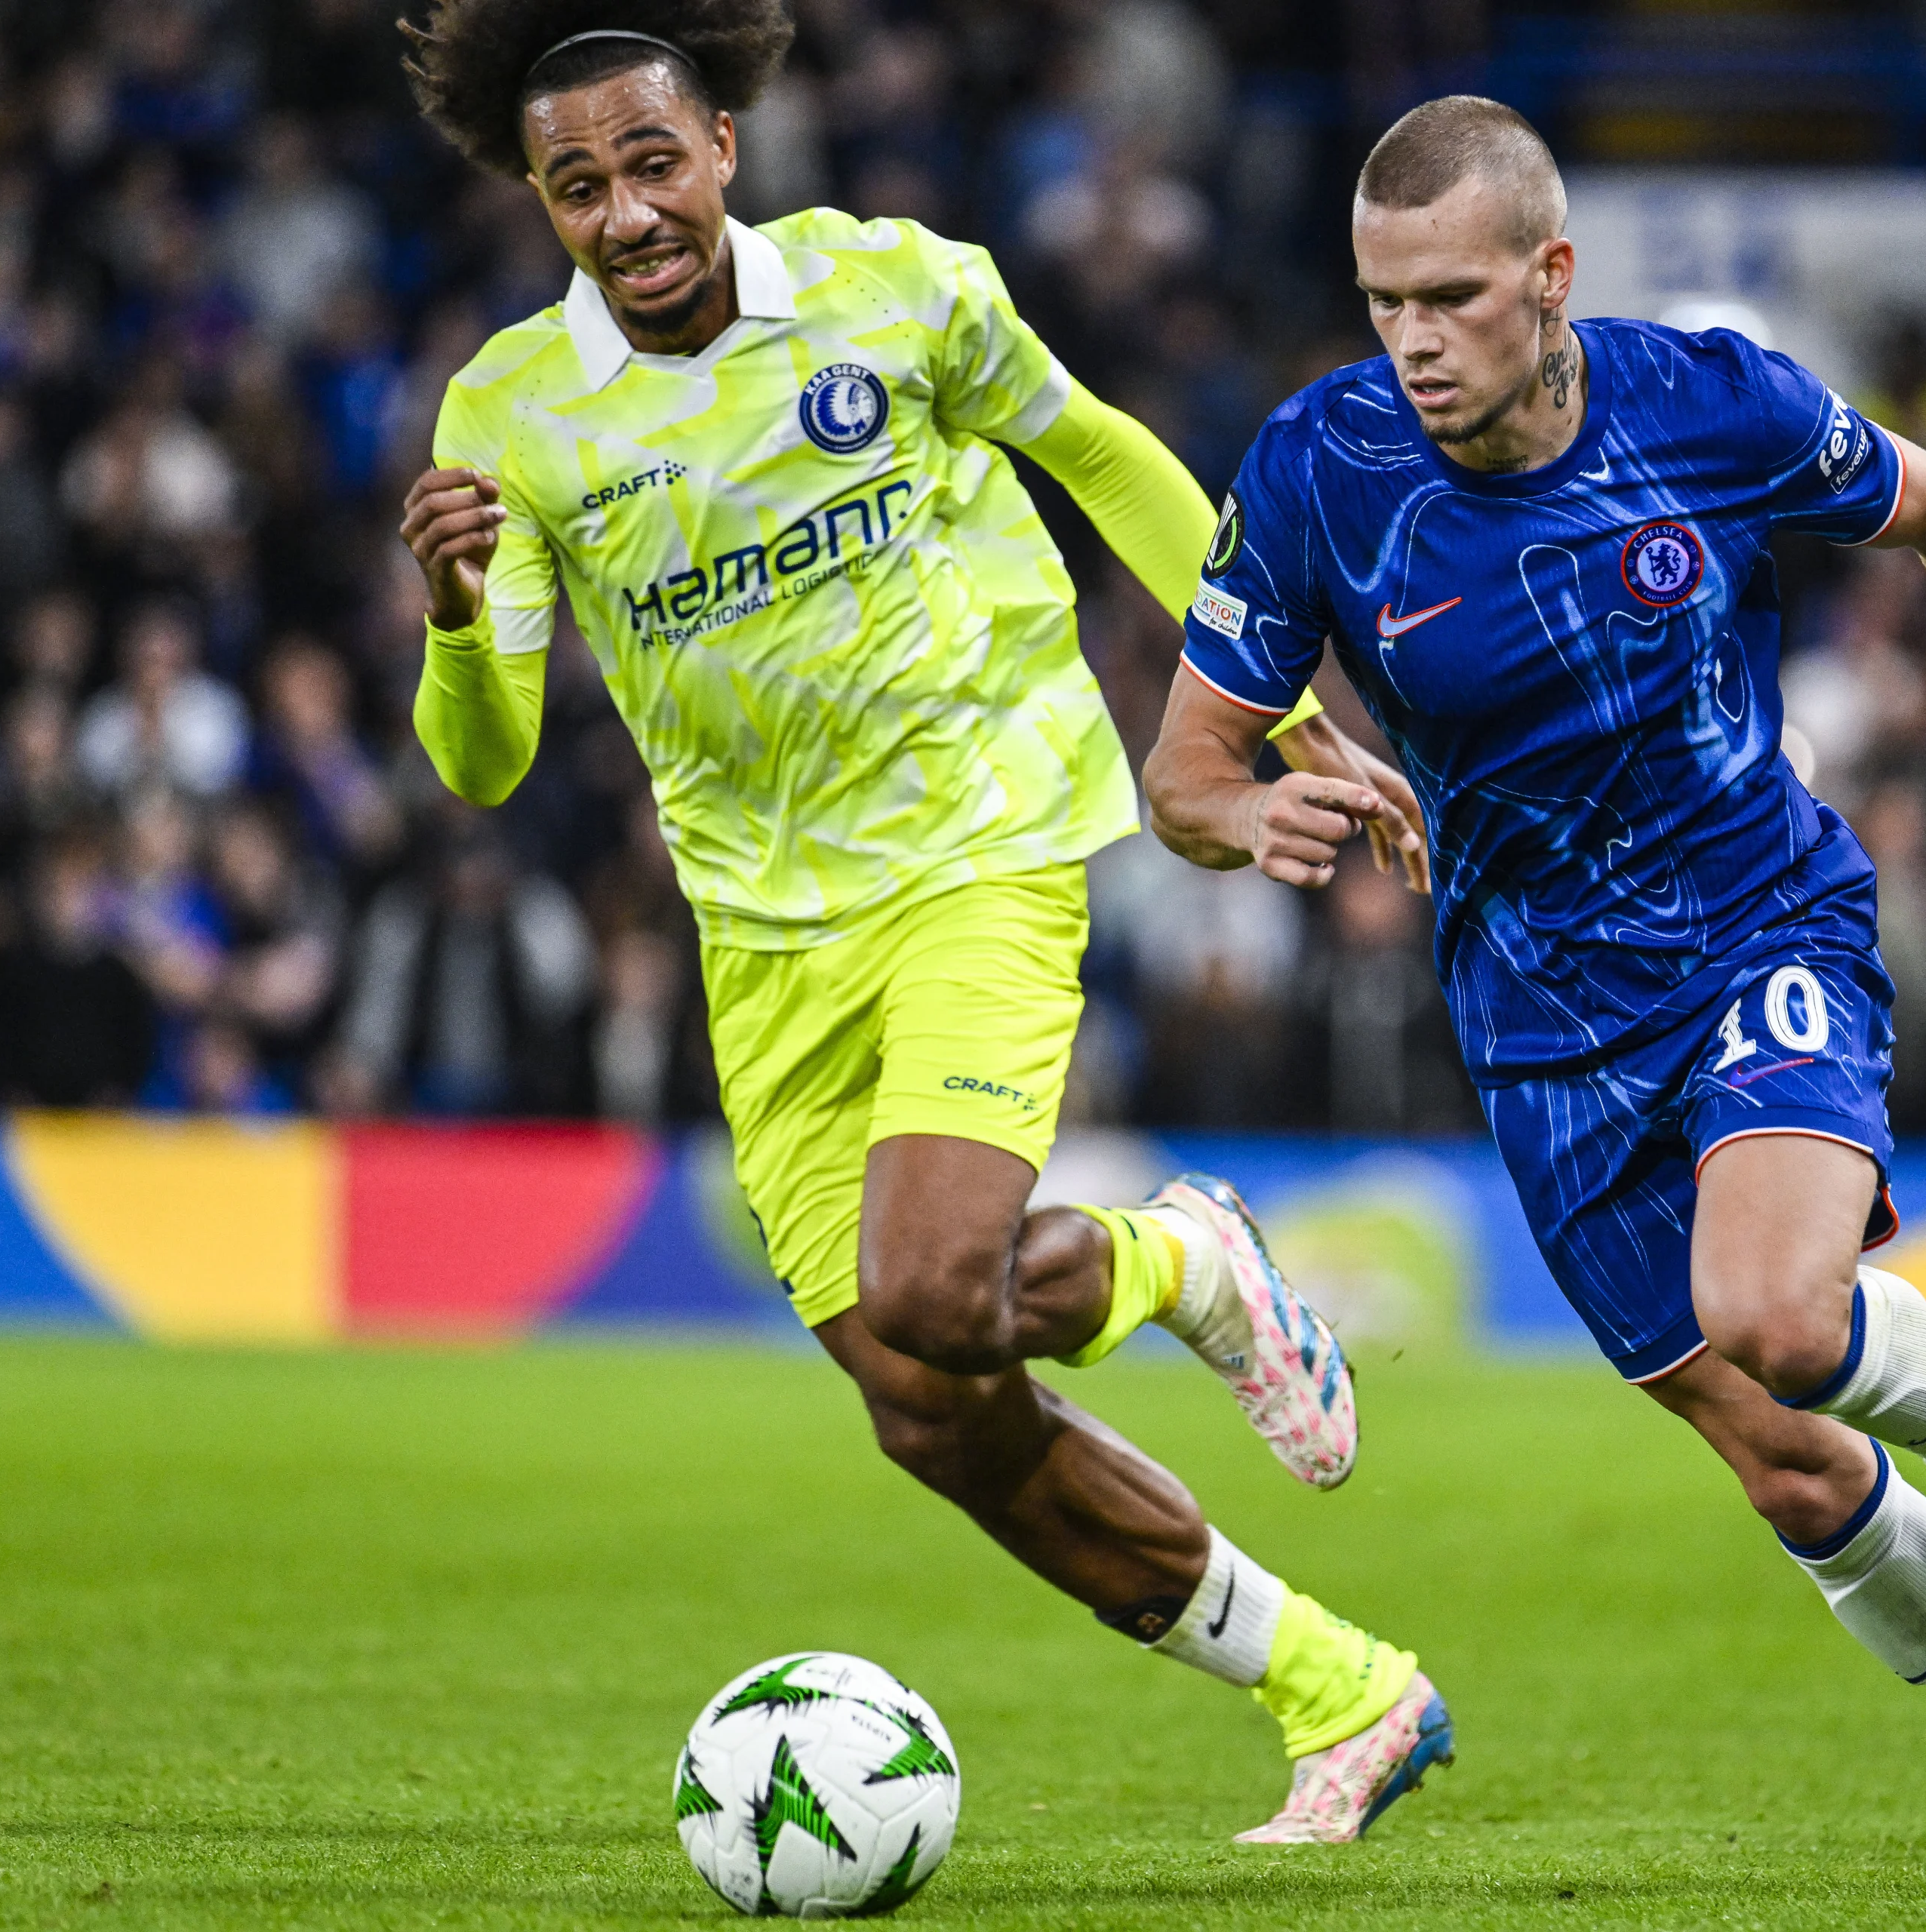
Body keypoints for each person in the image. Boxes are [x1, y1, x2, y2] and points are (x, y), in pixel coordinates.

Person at [392, 2, 1446, 1847]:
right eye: (580, 187)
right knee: (929, 1405)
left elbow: (1110, 457)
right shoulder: (515, 416)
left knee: (937, 1288)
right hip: (766, 938)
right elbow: (480, 762)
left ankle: (1183, 1258)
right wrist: (463, 616)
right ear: (541, 203)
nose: (627, 213)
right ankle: (1344, 1688)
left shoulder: (902, 292)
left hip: (982, 845)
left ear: (723, 140)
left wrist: (1271, 700)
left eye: (653, 163)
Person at [1146, 97, 1926, 1892]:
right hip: (1539, 1023)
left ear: (1552, 278)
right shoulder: (1317, 469)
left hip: (1754, 925)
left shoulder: (1708, 406)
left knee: (1786, 1312)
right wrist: (1257, 808)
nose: (1409, 339)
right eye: (1380, 298)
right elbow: (1180, 768)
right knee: (1789, 1465)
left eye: (1453, 295)